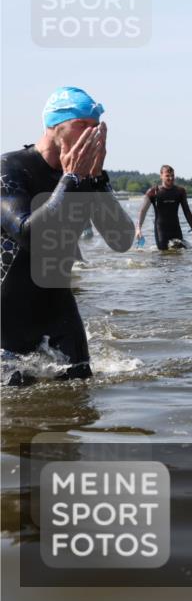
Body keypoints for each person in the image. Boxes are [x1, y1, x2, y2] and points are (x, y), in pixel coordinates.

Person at [1, 87, 134, 385]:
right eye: (82, 125)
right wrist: (71, 180)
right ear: (53, 125)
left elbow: (121, 239)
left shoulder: (87, 175)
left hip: (58, 309)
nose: (92, 134)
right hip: (7, 314)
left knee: (79, 403)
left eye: (95, 127)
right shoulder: (10, 169)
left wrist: (96, 182)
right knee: (17, 411)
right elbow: (28, 234)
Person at [135, 165, 192, 250]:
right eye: (167, 176)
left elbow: (186, 211)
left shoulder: (180, 191)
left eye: (172, 175)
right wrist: (138, 228)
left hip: (176, 229)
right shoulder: (153, 192)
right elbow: (142, 211)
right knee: (163, 256)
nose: (171, 178)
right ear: (161, 176)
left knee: (179, 257)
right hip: (161, 231)